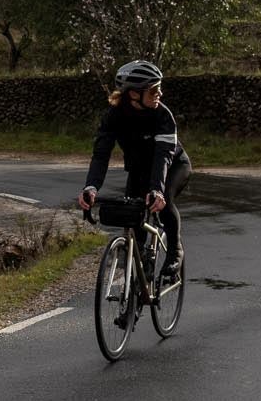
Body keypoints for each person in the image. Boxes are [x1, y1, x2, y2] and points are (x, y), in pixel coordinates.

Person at [76, 60, 191, 285]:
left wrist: (156, 189)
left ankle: (175, 251)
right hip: (139, 170)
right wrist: (91, 187)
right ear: (133, 94)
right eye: (153, 90)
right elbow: (101, 155)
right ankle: (138, 278)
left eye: (159, 88)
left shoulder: (163, 116)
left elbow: (163, 157)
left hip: (174, 166)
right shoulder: (114, 116)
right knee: (133, 221)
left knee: (164, 199)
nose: (160, 93)